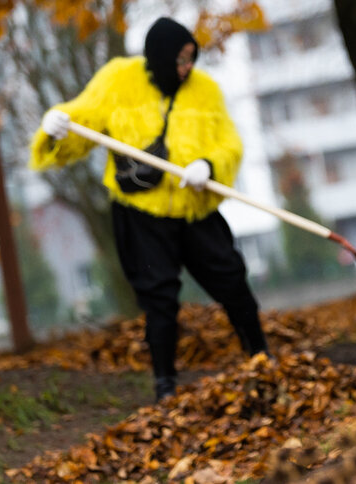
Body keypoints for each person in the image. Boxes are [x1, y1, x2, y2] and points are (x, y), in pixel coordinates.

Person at [30, 17, 270, 402]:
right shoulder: (117, 79)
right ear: (159, 56)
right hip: (140, 214)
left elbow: (230, 144)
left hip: (195, 211)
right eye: (180, 59)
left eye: (192, 58)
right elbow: (83, 118)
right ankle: (165, 385)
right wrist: (57, 128)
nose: (187, 68)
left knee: (232, 281)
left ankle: (261, 357)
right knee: (158, 299)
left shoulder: (205, 91)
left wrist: (208, 165)